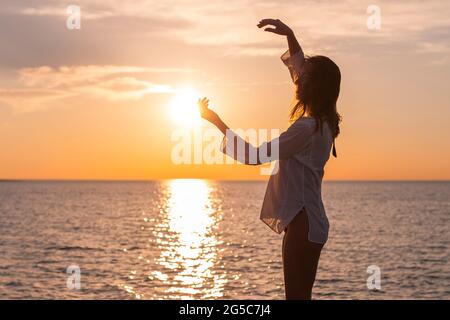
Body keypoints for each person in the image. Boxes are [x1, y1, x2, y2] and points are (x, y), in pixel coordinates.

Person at [198, 19, 342, 300]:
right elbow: (302, 70)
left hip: (302, 224)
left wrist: (216, 122)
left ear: (312, 88)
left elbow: (255, 156)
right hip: (313, 222)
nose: (297, 79)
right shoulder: (326, 124)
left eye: (304, 78)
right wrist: (290, 36)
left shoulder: (306, 128)